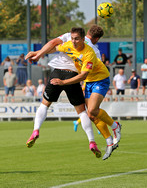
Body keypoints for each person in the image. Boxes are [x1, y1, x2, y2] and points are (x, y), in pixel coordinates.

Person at [26, 26, 121, 160]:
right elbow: (56, 48)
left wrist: (38, 54)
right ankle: (97, 141)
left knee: (46, 104)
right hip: (75, 78)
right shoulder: (81, 45)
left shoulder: (86, 50)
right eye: (73, 38)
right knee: (86, 112)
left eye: (77, 39)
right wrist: (38, 54)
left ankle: (36, 129)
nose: (74, 41)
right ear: (97, 39)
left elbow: (53, 44)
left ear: (84, 37)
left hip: (67, 74)